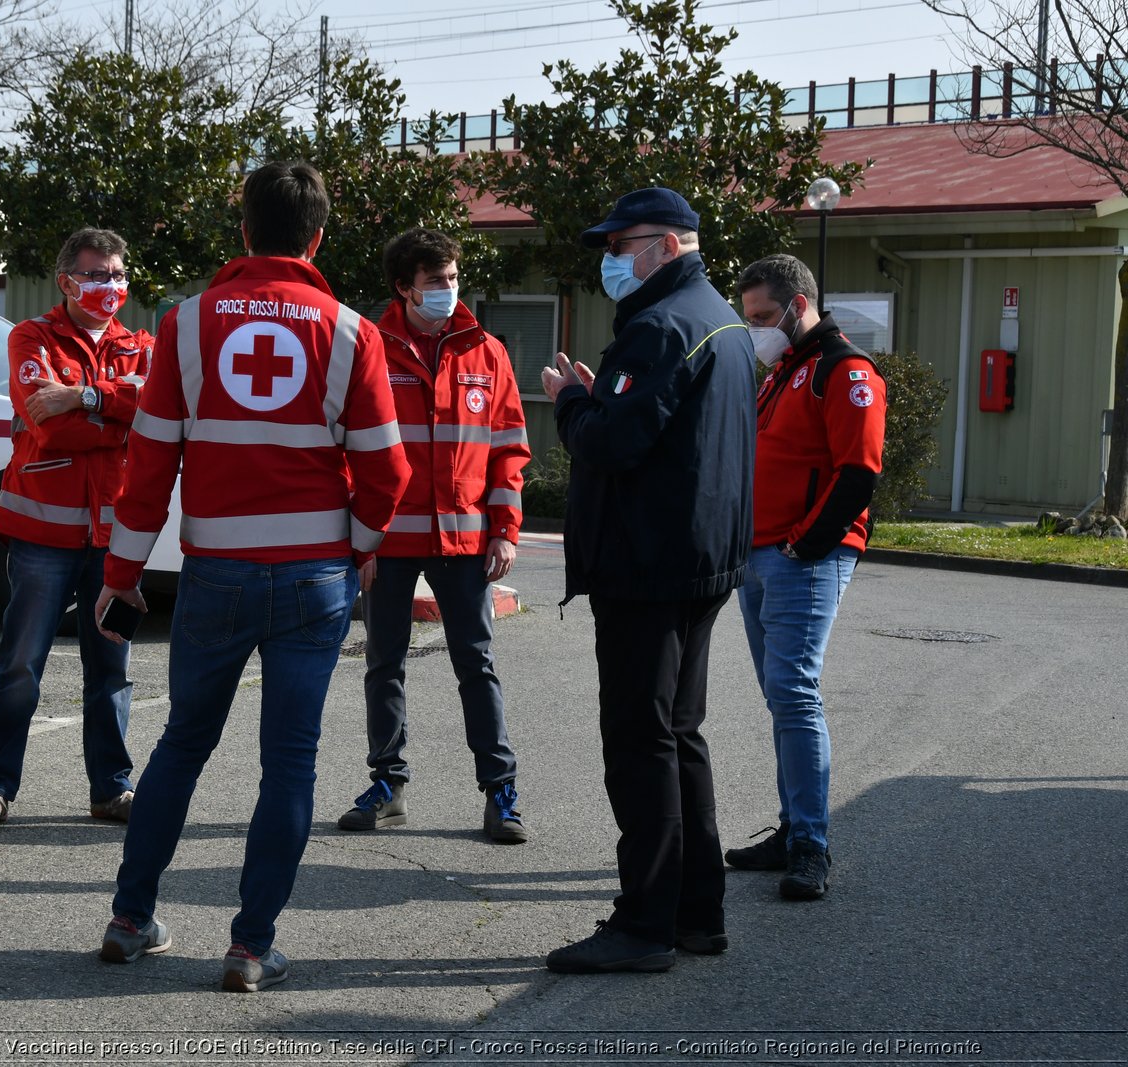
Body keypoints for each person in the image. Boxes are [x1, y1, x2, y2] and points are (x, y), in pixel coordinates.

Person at [93, 161, 410, 992]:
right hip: (316, 577)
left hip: (216, 572)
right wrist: (365, 544)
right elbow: (387, 472)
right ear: (316, 238)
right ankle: (249, 945)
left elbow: (148, 465)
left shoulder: (185, 324)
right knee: (290, 764)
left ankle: (130, 918)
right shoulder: (350, 331)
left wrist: (122, 570)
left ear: (244, 231)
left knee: (182, 743)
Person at [540, 187, 755, 973]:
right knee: (678, 734)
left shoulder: (663, 325)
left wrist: (570, 401)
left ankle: (644, 923)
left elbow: (611, 443)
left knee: (640, 742)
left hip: (649, 562)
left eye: (619, 245)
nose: (609, 260)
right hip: (700, 560)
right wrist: (604, 397)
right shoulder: (721, 320)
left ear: (664, 245)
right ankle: (698, 910)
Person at [334, 227, 532, 843]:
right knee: (383, 664)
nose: (449, 290)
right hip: (388, 544)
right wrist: (359, 541)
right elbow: (345, 451)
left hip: (466, 542)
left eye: (453, 278)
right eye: (435, 282)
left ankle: (500, 792)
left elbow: (507, 448)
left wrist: (505, 530)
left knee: (477, 664)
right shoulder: (368, 345)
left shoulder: (487, 351)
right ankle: (388, 784)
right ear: (404, 287)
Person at [0, 228, 152, 831]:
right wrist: (108, 413)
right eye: (97, 275)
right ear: (66, 281)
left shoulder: (142, 345)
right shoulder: (31, 337)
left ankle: (111, 790)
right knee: (21, 664)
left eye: (118, 274)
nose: (111, 286)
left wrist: (85, 397)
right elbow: (47, 425)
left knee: (112, 669)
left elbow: (157, 408)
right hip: (41, 538)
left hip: (115, 540)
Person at [726, 253, 887, 900]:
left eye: (762, 316)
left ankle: (810, 845)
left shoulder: (843, 370)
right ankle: (794, 827)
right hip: (761, 556)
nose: (755, 329)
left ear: (798, 306)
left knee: (793, 691)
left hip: (803, 558)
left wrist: (802, 547)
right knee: (782, 695)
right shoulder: (785, 372)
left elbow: (860, 471)